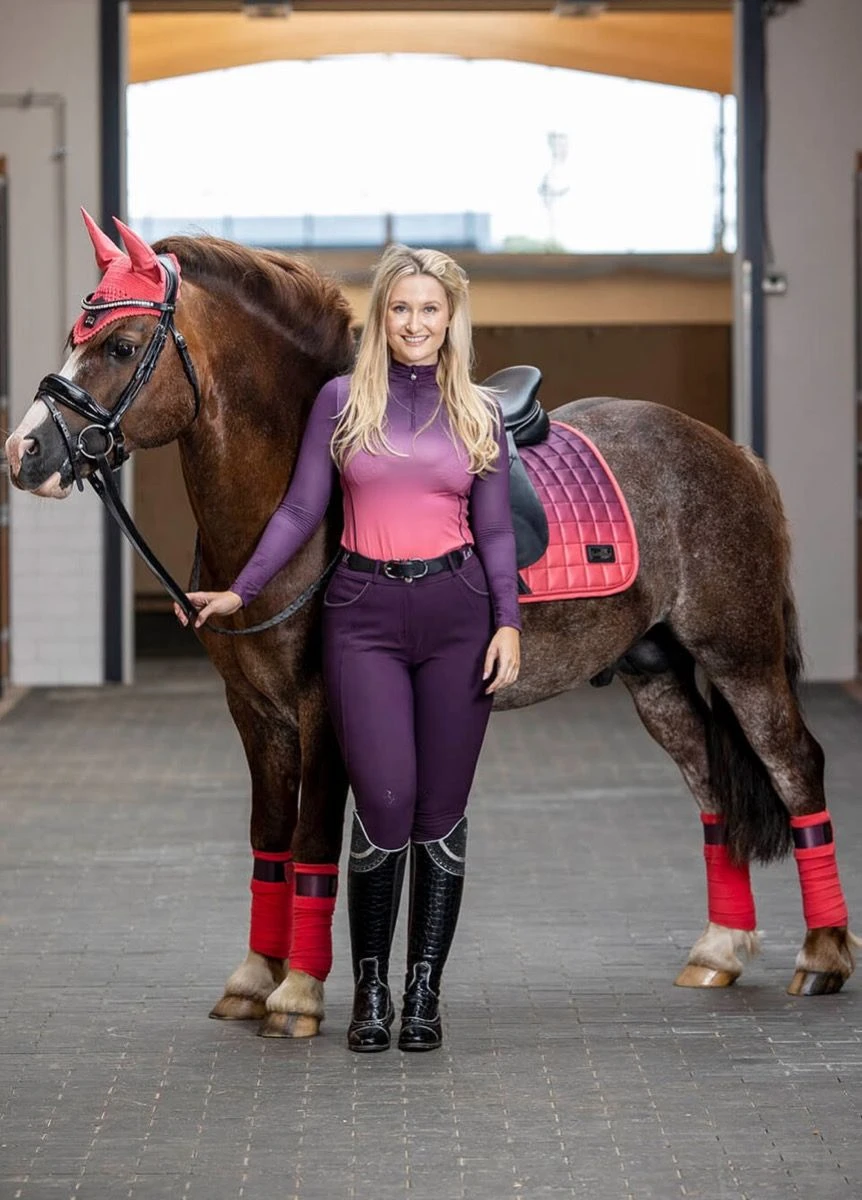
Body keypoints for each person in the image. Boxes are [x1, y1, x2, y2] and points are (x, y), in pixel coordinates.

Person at [179, 244, 521, 1053]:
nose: (414, 323)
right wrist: (241, 587)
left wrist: (507, 621)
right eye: (400, 308)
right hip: (362, 612)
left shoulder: (478, 412)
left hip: (458, 614)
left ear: (451, 319)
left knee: (440, 817)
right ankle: (369, 991)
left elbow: (498, 530)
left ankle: (423, 996)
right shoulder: (341, 402)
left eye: (429, 310)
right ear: (382, 317)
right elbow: (300, 512)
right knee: (385, 808)